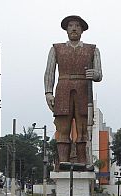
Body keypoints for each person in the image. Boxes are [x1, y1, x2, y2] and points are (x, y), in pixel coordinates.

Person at [44, 15, 102, 167]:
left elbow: (99, 74)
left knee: (83, 128)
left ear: (82, 30)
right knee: (63, 127)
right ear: (66, 29)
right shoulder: (56, 49)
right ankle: (63, 161)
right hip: (63, 89)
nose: (74, 28)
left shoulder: (92, 49)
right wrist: (48, 92)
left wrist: (94, 74)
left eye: (77, 25)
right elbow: (49, 72)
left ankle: (82, 162)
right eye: (71, 25)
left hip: (84, 91)